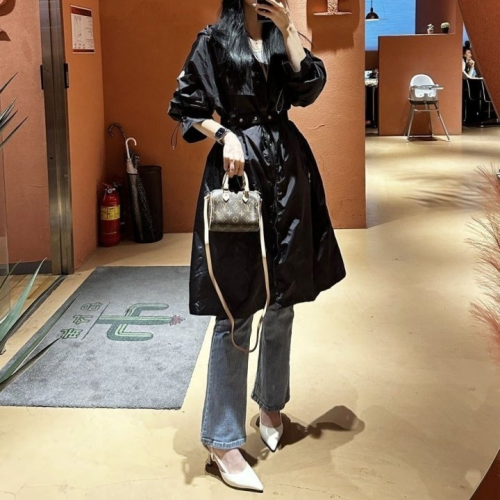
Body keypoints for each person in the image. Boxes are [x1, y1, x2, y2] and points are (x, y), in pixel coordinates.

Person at [167, 0, 346, 492]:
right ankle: (222, 439)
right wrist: (226, 134)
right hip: (238, 175)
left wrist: (289, 29)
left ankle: (271, 404)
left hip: (287, 172)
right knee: (236, 304)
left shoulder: (282, 38)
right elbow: (187, 107)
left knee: (283, 297)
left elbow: (308, 88)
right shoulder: (212, 40)